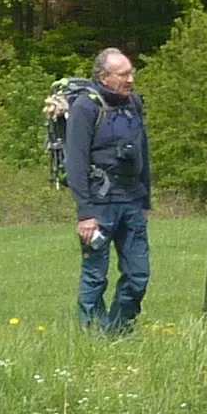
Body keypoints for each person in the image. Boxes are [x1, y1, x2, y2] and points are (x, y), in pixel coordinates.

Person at [67, 48, 151, 334]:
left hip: (132, 201)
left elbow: (143, 152)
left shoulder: (134, 104)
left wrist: (146, 199)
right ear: (104, 77)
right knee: (95, 275)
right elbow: (75, 162)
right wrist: (85, 212)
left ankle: (117, 329)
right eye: (124, 74)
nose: (131, 79)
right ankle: (91, 334)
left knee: (138, 275)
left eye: (132, 73)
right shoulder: (85, 106)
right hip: (99, 205)